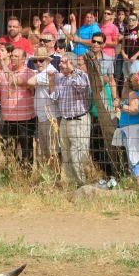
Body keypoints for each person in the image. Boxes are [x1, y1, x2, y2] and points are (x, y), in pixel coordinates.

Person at [0, 47, 36, 169]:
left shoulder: (28, 72)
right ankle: (12, 174)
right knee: (8, 149)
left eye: (16, 56)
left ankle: (26, 176)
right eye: (12, 56)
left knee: (26, 151)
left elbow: (13, 81)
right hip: (7, 118)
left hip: (25, 120)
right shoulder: (3, 71)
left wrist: (3, 65)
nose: (13, 58)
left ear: (24, 59)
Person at [51, 52, 91, 184]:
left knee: (77, 155)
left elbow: (81, 88)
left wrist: (72, 71)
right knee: (67, 155)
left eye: (64, 62)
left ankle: (83, 184)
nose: (60, 64)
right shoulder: (61, 78)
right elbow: (55, 97)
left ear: (71, 63)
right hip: (64, 120)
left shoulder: (81, 75)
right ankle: (71, 184)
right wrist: (52, 80)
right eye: (60, 62)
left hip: (78, 120)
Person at [112, 73, 139, 178]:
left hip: (132, 130)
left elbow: (134, 110)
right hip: (138, 128)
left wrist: (120, 105)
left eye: (127, 82)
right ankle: (138, 183)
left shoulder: (132, 94)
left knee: (133, 160)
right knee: (136, 159)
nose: (124, 84)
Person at [27, 47, 58, 165]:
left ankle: (57, 178)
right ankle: (50, 177)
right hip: (43, 117)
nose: (38, 63)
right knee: (45, 151)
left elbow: (29, 82)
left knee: (52, 151)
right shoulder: (41, 72)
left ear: (48, 61)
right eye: (35, 61)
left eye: (41, 60)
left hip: (50, 117)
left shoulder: (49, 72)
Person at [121, 14, 139, 81]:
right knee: (127, 80)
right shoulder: (126, 31)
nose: (130, 21)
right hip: (126, 60)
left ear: (136, 21)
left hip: (136, 60)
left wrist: (135, 56)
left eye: (133, 19)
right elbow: (122, 46)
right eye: (129, 19)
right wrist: (123, 54)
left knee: (136, 81)